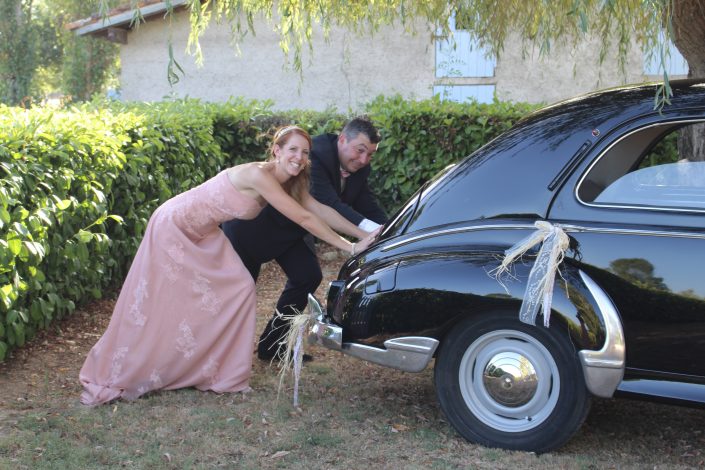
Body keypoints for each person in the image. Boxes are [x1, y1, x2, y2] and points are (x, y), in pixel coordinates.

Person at [79, 126, 377, 406]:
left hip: (204, 232)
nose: (298, 158)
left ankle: (216, 367)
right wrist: (350, 247)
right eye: (292, 150)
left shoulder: (292, 183)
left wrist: (367, 235)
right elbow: (304, 219)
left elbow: (319, 209)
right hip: (175, 225)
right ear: (276, 150)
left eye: (304, 152)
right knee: (164, 300)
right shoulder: (259, 176)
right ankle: (143, 365)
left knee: (238, 288)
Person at [221, 117, 388, 362]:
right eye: (360, 150)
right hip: (252, 229)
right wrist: (356, 241)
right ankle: (220, 354)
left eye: (370, 154)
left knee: (307, 276)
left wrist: (384, 232)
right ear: (342, 139)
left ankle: (273, 346)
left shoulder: (346, 168)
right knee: (240, 292)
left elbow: (346, 206)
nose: (363, 160)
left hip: (291, 232)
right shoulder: (316, 154)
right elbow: (320, 208)